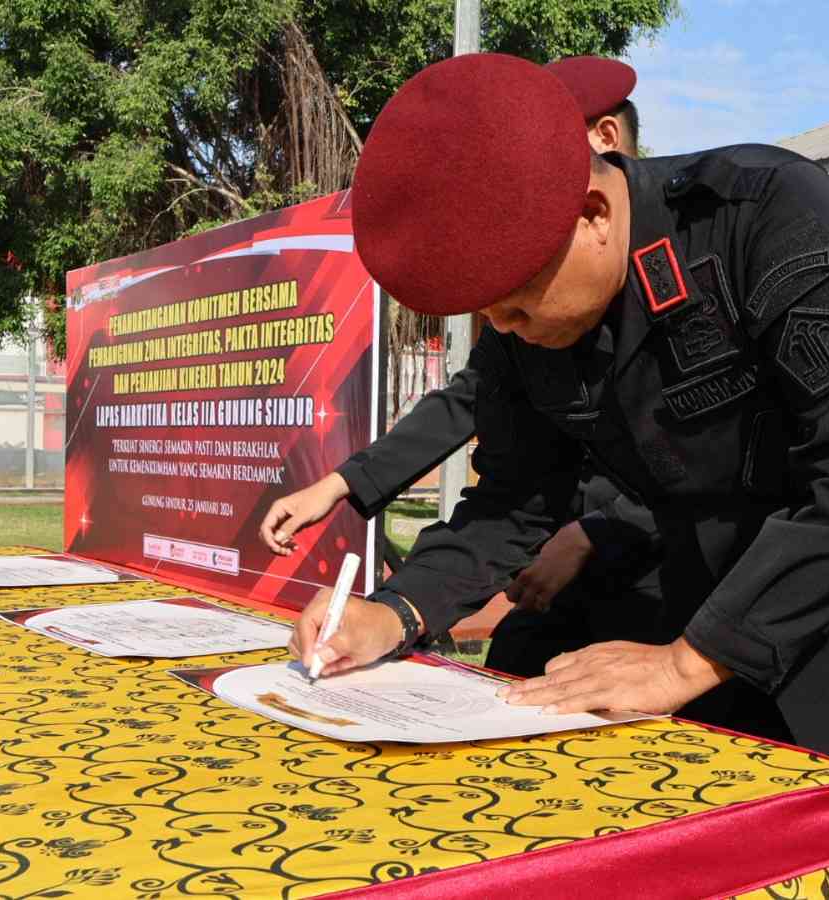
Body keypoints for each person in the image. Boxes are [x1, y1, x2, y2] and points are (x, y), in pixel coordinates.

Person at [290, 53, 829, 899]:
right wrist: (395, 609)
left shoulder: (768, 218)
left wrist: (686, 662)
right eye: (488, 315)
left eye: (516, 305)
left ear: (593, 211)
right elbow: (517, 494)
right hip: (718, 632)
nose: (504, 330)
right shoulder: (525, 312)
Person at [259, 57, 671, 680]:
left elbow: (724, 467)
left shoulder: (699, 254)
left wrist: (596, 530)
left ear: (602, 142)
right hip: (552, 547)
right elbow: (475, 410)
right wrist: (346, 491)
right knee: (512, 662)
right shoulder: (519, 315)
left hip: (682, 588)